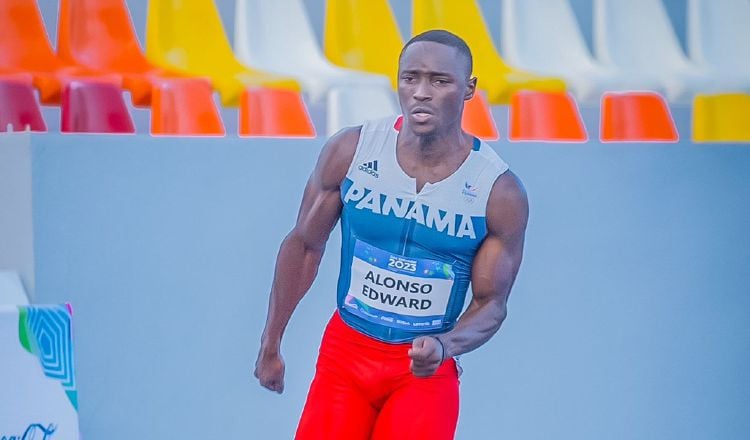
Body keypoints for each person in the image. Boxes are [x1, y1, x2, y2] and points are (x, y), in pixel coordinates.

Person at [254, 29, 529, 440]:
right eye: (410, 78)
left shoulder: (497, 191)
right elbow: (304, 246)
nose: (421, 92)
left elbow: (492, 303)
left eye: (440, 81)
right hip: (345, 358)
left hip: (422, 371)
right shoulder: (352, 150)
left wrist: (445, 345)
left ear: (469, 89)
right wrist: (271, 341)